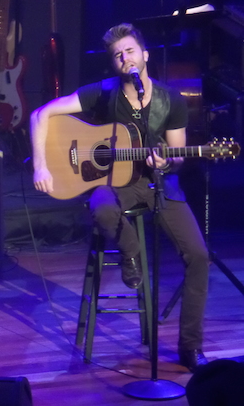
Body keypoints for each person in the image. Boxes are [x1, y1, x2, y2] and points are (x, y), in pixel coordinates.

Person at [30, 23, 210, 373]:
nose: (124, 58)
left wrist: (167, 161)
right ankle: (132, 251)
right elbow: (41, 114)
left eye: (129, 51)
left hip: (160, 185)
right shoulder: (104, 93)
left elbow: (178, 154)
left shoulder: (169, 100)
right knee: (102, 208)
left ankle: (191, 347)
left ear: (145, 55)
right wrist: (41, 167)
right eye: (117, 55)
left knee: (199, 256)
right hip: (112, 183)